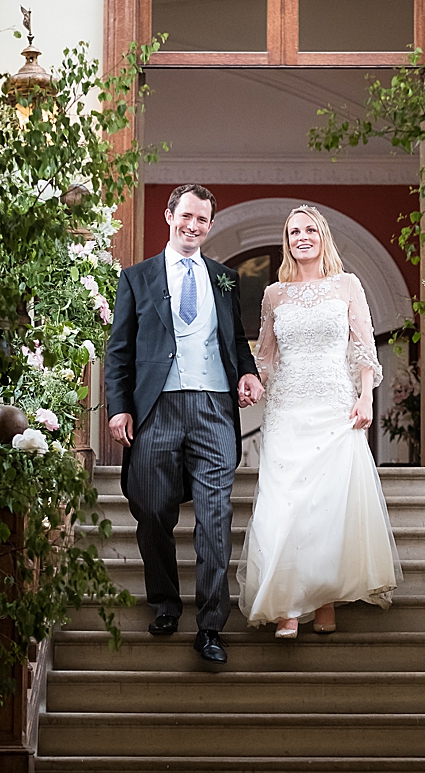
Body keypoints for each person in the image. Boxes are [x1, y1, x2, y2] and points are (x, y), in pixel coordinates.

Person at [105, 184, 263, 664]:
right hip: (157, 408)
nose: (193, 226)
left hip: (215, 408)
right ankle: (166, 601)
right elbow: (119, 352)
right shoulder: (136, 278)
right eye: (186, 216)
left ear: (210, 225)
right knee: (152, 508)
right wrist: (119, 406)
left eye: (202, 220)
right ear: (170, 215)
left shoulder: (225, 278)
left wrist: (249, 371)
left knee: (216, 518)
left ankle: (211, 625)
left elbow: (234, 340)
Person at [237, 205, 402, 638]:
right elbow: (267, 356)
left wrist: (366, 396)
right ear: (287, 241)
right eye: (293, 231)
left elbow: (364, 347)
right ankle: (288, 605)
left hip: (334, 405)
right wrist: (253, 383)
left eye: (310, 229)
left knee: (328, 507)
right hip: (288, 408)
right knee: (285, 504)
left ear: (322, 236)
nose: (301, 237)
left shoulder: (347, 285)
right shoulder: (274, 294)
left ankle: (325, 600)